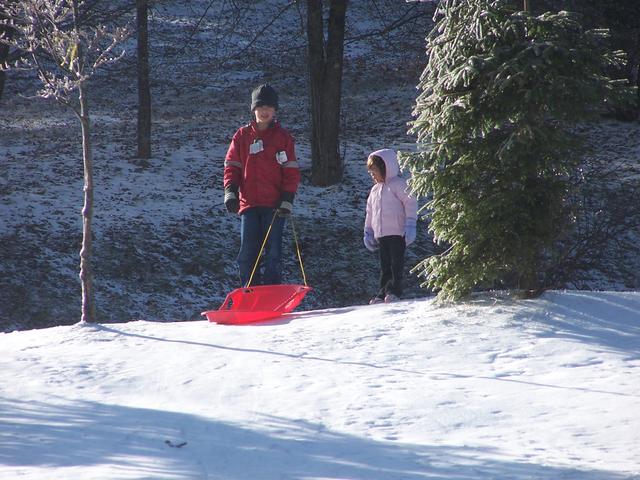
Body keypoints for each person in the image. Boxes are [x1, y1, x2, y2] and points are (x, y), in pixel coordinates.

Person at [223, 84, 300, 286]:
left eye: (269, 107)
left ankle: (272, 290)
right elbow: (232, 165)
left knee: (273, 252)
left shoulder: (282, 137)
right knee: (247, 253)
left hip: (274, 205)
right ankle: (250, 290)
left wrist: (287, 198)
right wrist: (230, 191)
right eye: (260, 107)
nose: (264, 111)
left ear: (274, 110)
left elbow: (290, 170)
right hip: (248, 204)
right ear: (253, 109)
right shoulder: (242, 136)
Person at [363, 149, 418, 304]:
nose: (372, 175)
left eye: (374, 171)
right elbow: (370, 212)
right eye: (370, 172)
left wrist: (410, 223)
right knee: (385, 265)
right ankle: (383, 292)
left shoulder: (399, 185)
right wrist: (368, 231)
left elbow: (410, 202)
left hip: (397, 232)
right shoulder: (375, 190)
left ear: (385, 167)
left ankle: (394, 291)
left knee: (395, 264)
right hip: (382, 235)